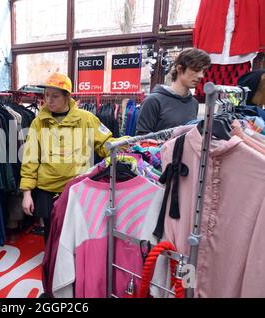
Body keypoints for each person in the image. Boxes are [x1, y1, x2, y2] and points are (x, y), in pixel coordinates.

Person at [20, 72, 115, 243]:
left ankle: (72, 267)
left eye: (55, 96)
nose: (49, 100)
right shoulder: (38, 122)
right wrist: (27, 193)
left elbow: (107, 144)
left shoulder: (86, 119)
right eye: (46, 95)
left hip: (77, 189)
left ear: (67, 96)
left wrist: (130, 147)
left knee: (76, 235)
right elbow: (30, 159)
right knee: (50, 235)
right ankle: (51, 267)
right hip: (46, 190)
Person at [136, 48, 211, 135]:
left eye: (203, 71)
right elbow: (141, 139)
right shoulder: (153, 101)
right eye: (196, 69)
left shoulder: (193, 103)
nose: (201, 75)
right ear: (179, 68)